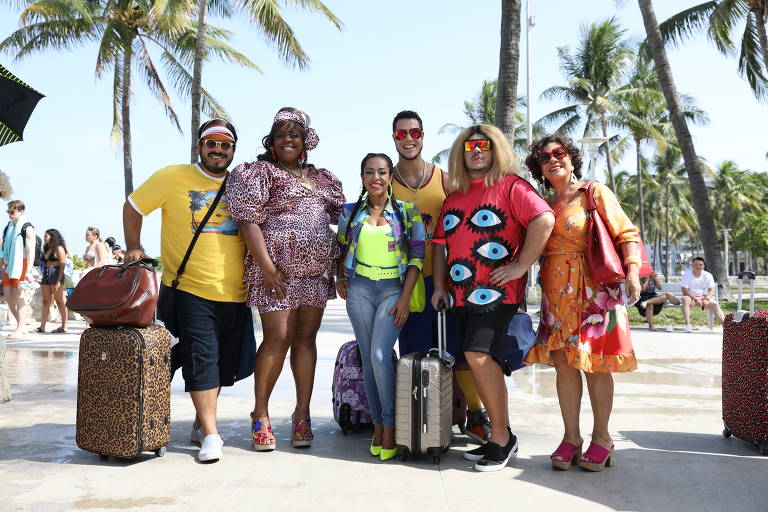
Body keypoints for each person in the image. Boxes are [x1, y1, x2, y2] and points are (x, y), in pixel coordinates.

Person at [123, 118, 251, 463]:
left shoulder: (242, 185)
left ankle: (199, 422)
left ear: (232, 151)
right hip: (189, 288)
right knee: (202, 359)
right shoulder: (172, 177)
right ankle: (212, 434)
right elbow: (134, 207)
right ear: (200, 147)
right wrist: (133, 245)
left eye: (225, 145)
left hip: (235, 293)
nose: (218, 150)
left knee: (223, 364)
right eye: (211, 143)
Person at [432, 125, 554, 472]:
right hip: (460, 296)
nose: (476, 151)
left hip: (497, 293)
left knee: (478, 355)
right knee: (477, 360)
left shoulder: (512, 186)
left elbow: (543, 219)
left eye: (484, 146)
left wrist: (520, 265)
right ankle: (502, 435)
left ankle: (500, 439)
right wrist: (440, 287)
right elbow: (439, 245)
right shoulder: (453, 197)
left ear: (495, 150)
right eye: (469, 146)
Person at [227, 107, 344, 452]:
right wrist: (267, 268)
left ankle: (302, 415)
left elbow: (345, 216)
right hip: (275, 272)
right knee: (278, 336)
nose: (287, 140)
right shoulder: (259, 172)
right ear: (272, 142)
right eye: (281, 135)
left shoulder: (323, 178)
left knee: (306, 339)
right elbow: (248, 221)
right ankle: (260, 414)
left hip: (315, 273)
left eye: (294, 134)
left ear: (305, 140)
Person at [524, 135, 642, 472]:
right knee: (564, 364)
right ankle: (571, 437)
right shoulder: (544, 205)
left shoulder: (594, 193)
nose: (553, 160)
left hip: (594, 294)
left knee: (597, 364)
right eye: (545, 158)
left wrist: (632, 272)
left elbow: (626, 234)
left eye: (559, 153)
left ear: (572, 158)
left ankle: (602, 437)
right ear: (540, 169)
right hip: (556, 293)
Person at [390, 110, 490, 444]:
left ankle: (476, 414)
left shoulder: (444, 179)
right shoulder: (384, 181)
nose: (408, 139)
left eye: (414, 133)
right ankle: (421, 420)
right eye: (401, 134)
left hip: (446, 278)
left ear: (423, 136)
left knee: (459, 351)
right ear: (393, 138)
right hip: (406, 282)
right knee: (414, 353)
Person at [336, 152, 425, 461]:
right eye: (370, 172)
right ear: (362, 177)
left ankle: (390, 425)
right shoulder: (349, 212)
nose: (376, 177)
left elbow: (416, 257)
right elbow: (340, 247)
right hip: (360, 289)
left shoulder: (407, 212)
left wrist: (404, 297)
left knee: (378, 355)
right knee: (368, 357)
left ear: (391, 177)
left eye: (383, 172)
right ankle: (376, 426)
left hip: (392, 290)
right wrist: (339, 277)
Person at [1, 200, 36, 340]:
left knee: (19, 296)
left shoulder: (27, 228)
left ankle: (20, 328)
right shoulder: (9, 227)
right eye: (8, 212)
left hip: (21, 264)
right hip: (10, 264)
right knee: (8, 296)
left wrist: (29, 270)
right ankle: (21, 325)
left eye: (12, 212)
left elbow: (30, 251)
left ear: (21, 211)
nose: (10, 215)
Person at [37, 229, 69, 333]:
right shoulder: (47, 248)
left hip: (56, 274)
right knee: (46, 301)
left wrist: (58, 281)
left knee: (60, 301)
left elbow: (62, 265)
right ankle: (42, 326)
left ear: (52, 236)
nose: (44, 238)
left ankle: (64, 326)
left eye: (46, 236)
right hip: (46, 273)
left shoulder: (59, 248)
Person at [680, 256, 724, 332]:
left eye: (700, 264)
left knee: (715, 304)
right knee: (685, 299)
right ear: (692, 266)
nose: (698, 266)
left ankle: (726, 327)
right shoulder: (686, 275)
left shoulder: (708, 275)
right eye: (695, 264)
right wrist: (696, 299)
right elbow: (685, 291)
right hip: (691, 298)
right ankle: (688, 325)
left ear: (703, 266)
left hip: (704, 297)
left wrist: (707, 299)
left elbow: (711, 290)